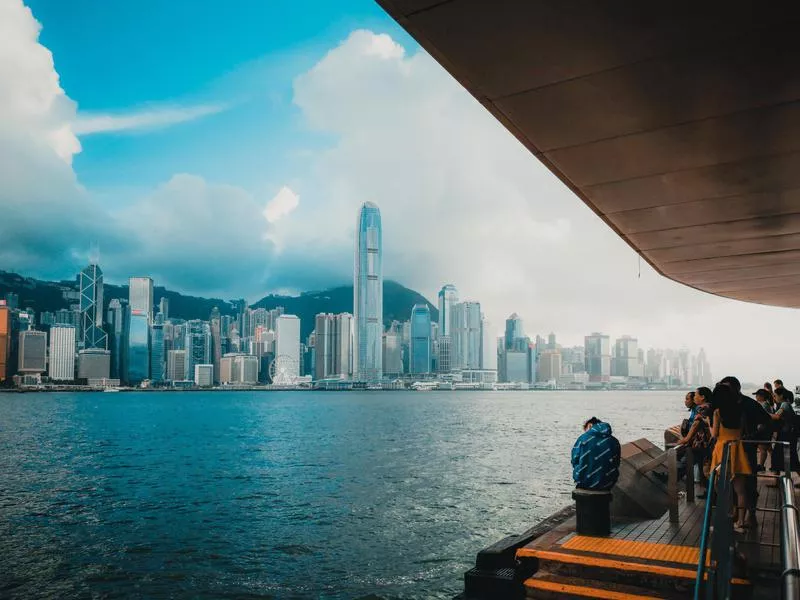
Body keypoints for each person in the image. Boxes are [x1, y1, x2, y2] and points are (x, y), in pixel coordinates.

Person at [718, 376, 772, 527]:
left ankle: (751, 512)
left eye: (727, 388)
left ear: (736, 389)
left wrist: (752, 436)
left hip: (747, 448)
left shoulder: (750, 404)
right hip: (730, 449)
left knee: (749, 481)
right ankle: (737, 512)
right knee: (732, 482)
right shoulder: (725, 405)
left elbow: (766, 421)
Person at [710, 383, 752, 532]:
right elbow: (742, 432)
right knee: (740, 490)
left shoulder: (717, 412)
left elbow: (714, 434)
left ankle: (725, 520)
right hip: (738, 448)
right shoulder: (740, 411)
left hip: (723, 449)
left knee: (720, 487)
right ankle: (740, 522)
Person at [676, 387, 713, 498]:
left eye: (696, 395)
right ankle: (709, 493)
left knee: (703, 469)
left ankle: (671, 477)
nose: (694, 398)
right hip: (705, 443)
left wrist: (686, 439)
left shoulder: (702, 408)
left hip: (703, 443)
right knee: (703, 469)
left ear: (702, 397)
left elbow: (696, 424)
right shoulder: (710, 407)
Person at [572, 417, 621, 491]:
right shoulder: (614, 441)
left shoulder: (582, 439)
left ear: (590, 425)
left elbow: (575, 459)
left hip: (584, 483)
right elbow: (616, 462)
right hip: (607, 484)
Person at [769, 387, 800, 480]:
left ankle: (778, 480)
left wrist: (764, 414)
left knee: (791, 458)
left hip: (787, 435)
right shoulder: (785, 404)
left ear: (781, 395)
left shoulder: (785, 404)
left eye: (775, 396)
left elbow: (777, 416)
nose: (774, 398)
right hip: (786, 434)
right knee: (778, 457)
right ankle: (777, 480)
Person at [752, 388, 776, 472]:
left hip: (764, 430)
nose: (756, 397)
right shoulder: (766, 404)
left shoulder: (764, 405)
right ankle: (775, 464)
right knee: (768, 448)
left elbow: (762, 418)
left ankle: (761, 465)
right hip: (767, 429)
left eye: (757, 395)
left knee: (763, 448)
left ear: (761, 396)